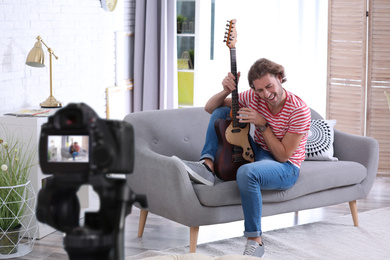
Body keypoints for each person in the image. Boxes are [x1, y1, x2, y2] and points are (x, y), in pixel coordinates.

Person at [175, 58, 311, 258]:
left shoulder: (298, 110)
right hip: (258, 151)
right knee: (223, 112)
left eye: (269, 86)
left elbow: (283, 156)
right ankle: (207, 166)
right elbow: (210, 108)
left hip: (286, 167)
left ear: (280, 79)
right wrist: (225, 90)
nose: (265, 94)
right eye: (259, 90)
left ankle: (255, 240)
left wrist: (262, 123)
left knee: (247, 172)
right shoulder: (255, 97)